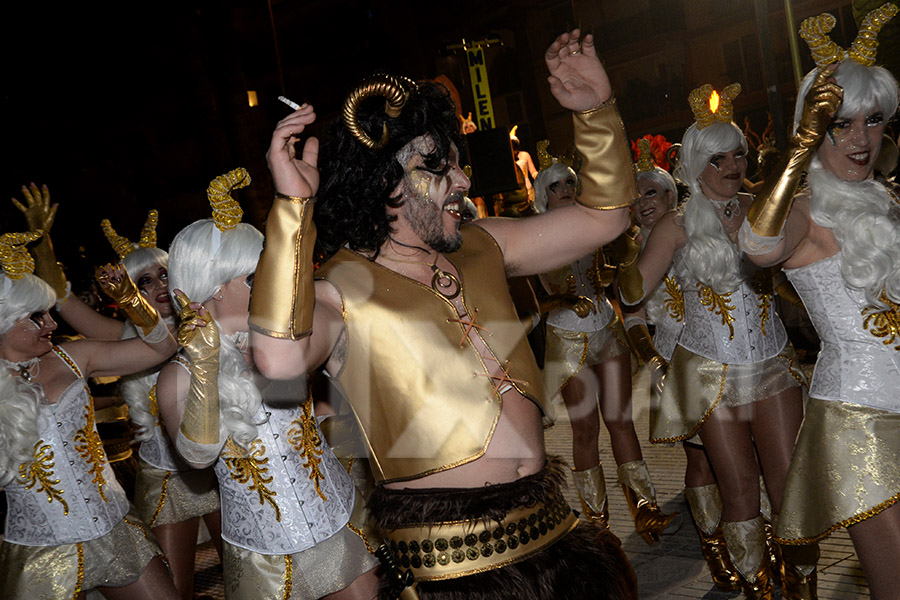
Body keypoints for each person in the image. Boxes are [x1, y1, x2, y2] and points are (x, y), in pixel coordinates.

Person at [248, 29, 638, 599]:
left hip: (556, 546)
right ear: (389, 185)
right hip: (452, 579)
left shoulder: (485, 245)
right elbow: (277, 361)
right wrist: (292, 211)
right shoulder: (340, 289)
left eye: (459, 164)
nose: (464, 181)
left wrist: (596, 114)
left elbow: (606, 218)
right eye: (441, 168)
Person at [615, 82, 808, 598]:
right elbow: (633, 294)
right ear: (696, 164)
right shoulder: (674, 227)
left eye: (739, 153)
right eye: (718, 157)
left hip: (771, 366)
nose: (732, 165)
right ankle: (756, 588)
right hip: (708, 373)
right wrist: (608, 234)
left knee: (791, 494)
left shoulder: (765, 206)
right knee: (740, 492)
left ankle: (800, 589)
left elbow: (801, 278)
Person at [155, 169, 379, 599]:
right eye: (256, 277)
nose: (272, 285)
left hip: (338, 526)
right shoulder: (176, 376)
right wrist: (204, 368)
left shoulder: (287, 341)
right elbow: (198, 458)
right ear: (216, 289)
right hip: (261, 560)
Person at [739, 6, 900, 598]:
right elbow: (757, 246)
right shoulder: (804, 211)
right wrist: (799, 148)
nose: (861, 139)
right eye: (841, 124)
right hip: (856, 421)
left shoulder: (889, 201)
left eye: (874, 121)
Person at [11, 185, 222, 600]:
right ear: (129, 292)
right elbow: (64, 300)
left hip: (216, 466)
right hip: (163, 475)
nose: (160, 286)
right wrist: (43, 246)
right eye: (145, 280)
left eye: (165, 274)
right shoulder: (120, 336)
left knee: (239, 571)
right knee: (175, 587)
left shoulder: (209, 323)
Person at [0, 231, 180, 600]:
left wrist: (133, 301)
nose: (51, 324)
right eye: (36, 317)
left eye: (50, 313)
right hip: (41, 549)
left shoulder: (73, 356)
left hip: (113, 529)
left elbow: (162, 347)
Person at [533, 152, 677, 545]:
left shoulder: (596, 227)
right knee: (585, 429)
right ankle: (598, 523)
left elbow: (624, 277)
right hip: (567, 338)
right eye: (555, 185)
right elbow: (528, 300)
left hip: (606, 330)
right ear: (542, 194)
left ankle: (646, 510)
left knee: (621, 420)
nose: (565, 190)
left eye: (569, 183)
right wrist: (559, 302)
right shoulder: (533, 237)